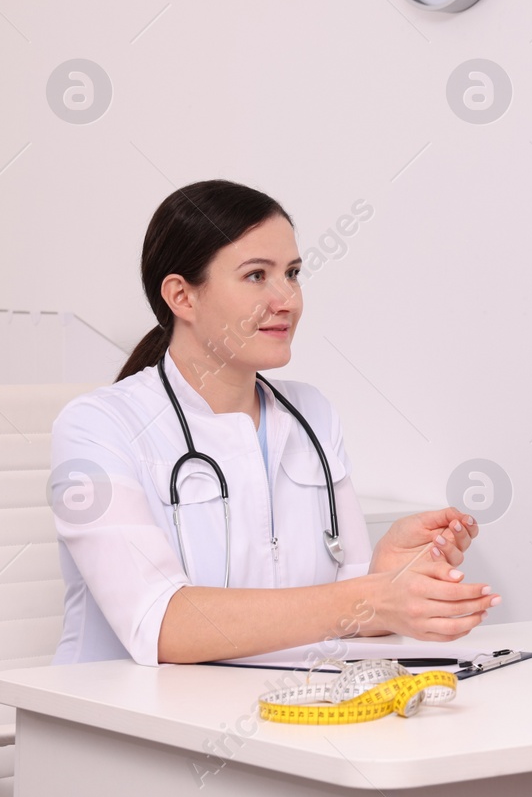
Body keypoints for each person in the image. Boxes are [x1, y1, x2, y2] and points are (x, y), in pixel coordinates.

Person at [49, 179, 500, 665]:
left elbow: (342, 618)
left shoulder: (312, 415)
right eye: (256, 276)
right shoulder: (99, 427)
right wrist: (369, 598)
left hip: (278, 712)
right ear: (182, 296)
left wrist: (385, 575)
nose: (287, 299)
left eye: (293, 273)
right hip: (120, 725)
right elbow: (160, 624)